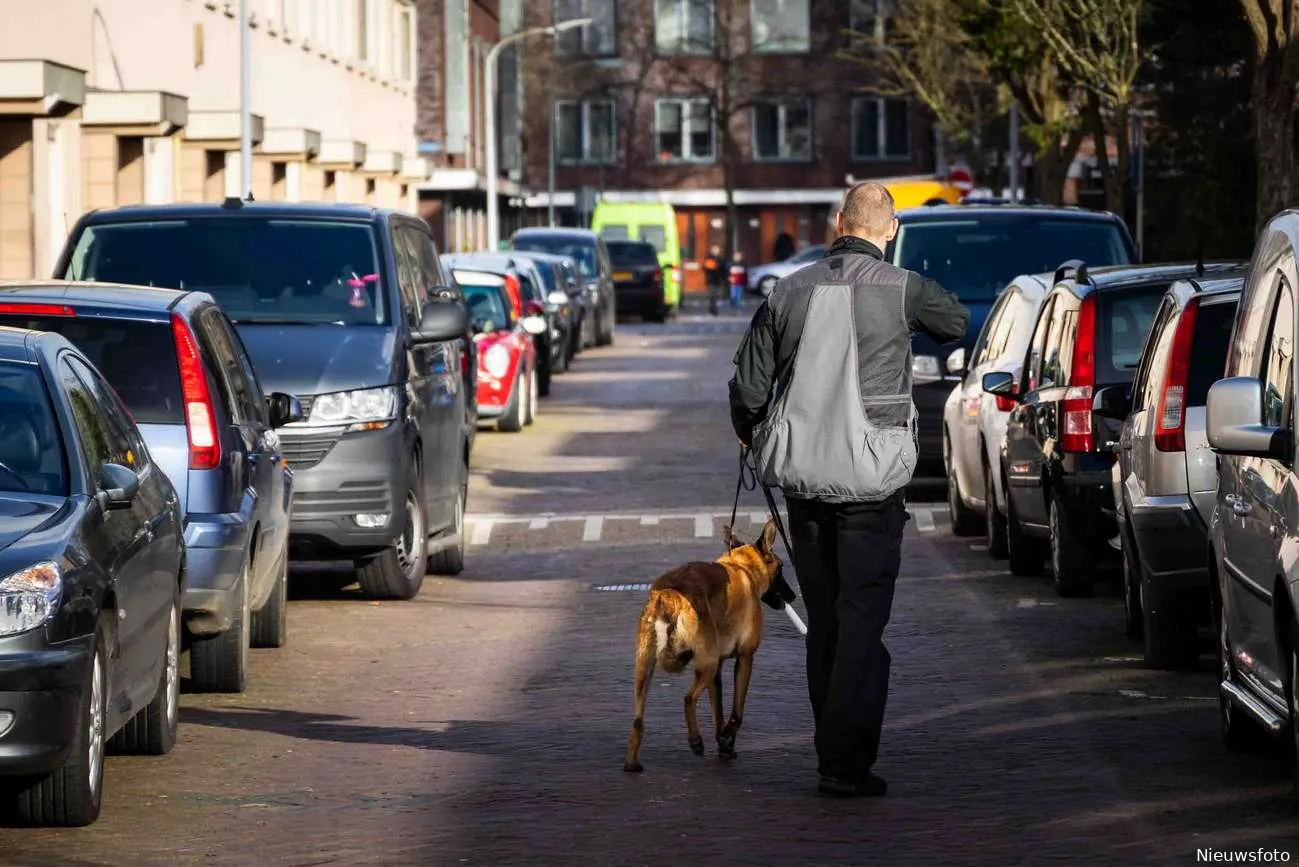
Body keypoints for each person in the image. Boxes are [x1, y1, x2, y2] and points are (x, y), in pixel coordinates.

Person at [728, 181, 968, 798]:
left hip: (805, 485)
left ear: (838, 223)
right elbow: (956, 320)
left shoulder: (789, 290)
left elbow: (748, 387)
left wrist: (752, 436)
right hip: (870, 483)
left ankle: (832, 749)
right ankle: (843, 759)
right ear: (888, 230)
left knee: (829, 622)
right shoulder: (901, 287)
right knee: (862, 619)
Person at [704, 245, 724, 316]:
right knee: (712, 296)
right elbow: (705, 268)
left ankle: (713, 310)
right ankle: (712, 310)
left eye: (717, 250)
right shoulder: (709, 258)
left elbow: (723, 270)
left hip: (717, 280)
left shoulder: (720, 259)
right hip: (711, 280)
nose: (716, 251)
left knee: (715, 296)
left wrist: (723, 279)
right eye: (714, 250)